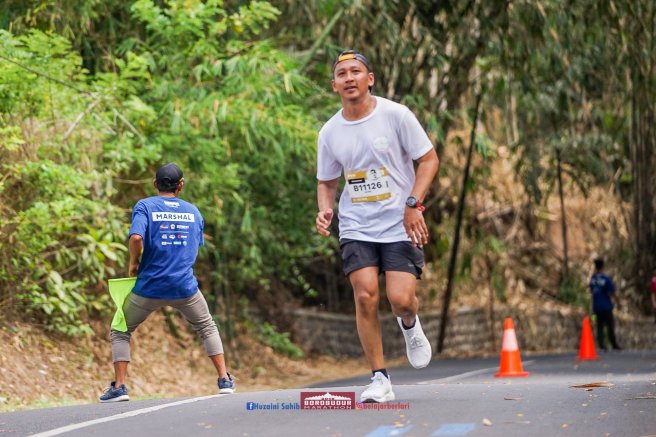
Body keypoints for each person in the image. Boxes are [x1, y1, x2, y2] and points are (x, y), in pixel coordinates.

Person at [315, 50, 440, 403]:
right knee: (365, 295)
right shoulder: (330, 132)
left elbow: (429, 160)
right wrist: (325, 210)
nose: (349, 78)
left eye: (356, 71)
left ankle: (409, 323)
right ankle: (379, 378)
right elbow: (327, 181)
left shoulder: (396, 115)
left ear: (370, 79)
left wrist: (413, 204)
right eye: (342, 73)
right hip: (357, 225)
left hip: (400, 222)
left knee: (401, 300)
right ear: (334, 85)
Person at [99, 163, 235, 402]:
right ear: (180, 186)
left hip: (149, 287)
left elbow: (136, 237)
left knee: (120, 330)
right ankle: (224, 379)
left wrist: (133, 264)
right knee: (207, 327)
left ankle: (119, 387)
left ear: (155, 184)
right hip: (184, 287)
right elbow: (193, 246)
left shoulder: (145, 206)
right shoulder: (194, 212)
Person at [589, 258, 621, 351]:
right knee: (610, 325)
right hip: (606, 306)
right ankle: (614, 344)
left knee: (599, 325)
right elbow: (612, 291)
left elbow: (591, 290)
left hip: (596, 307)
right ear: (603, 267)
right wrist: (616, 301)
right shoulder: (606, 278)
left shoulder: (593, 279)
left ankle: (601, 344)